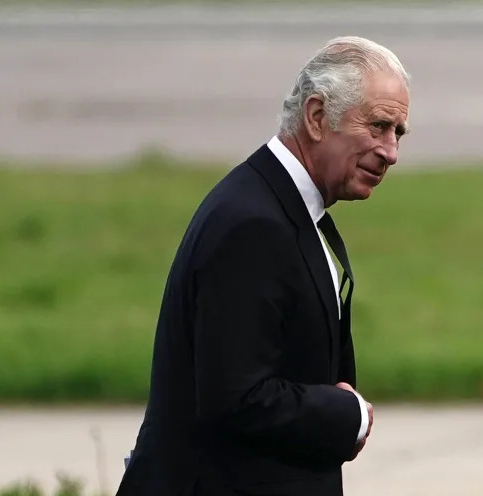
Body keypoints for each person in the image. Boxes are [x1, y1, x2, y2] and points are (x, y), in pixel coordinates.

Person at [116, 36, 410, 496]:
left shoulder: (275, 204)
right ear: (316, 117)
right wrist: (347, 415)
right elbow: (236, 399)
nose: (391, 151)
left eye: (398, 133)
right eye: (378, 126)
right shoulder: (253, 223)